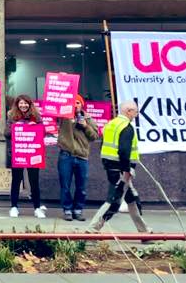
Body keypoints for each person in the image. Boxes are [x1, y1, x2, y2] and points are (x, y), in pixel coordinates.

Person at [87, 101, 151, 233]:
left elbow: (103, 146)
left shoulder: (111, 124)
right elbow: (124, 151)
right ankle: (92, 229)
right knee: (114, 201)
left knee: (132, 199)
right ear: (128, 111)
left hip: (111, 166)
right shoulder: (126, 127)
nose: (136, 114)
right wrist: (127, 170)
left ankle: (144, 231)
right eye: (135, 111)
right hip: (121, 170)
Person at [57, 95, 99, 221]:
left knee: (81, 187)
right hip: (66, 156)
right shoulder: (63, 117)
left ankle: (78, 210)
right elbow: (53, 111)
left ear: (81, 104)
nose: (75, 105)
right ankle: (67, 210)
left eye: (77, 102)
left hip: (82, 157)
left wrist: (86, 126)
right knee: (65, 186)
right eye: (72, 102)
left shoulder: (88, 118)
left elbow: (95, 136)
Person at [5, 94, 45, 218]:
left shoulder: (36, 117)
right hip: (18, 153)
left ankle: (37, 208)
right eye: (21, 103)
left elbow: (43, 132)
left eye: (26, 103)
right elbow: (6, 133)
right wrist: (17, 127)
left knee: (34, 181)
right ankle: (14, 207)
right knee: (16, 181)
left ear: (30, 104)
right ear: (17, 104)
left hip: (33, 154)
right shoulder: (12, 116)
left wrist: (35, 127)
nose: (23, 105)